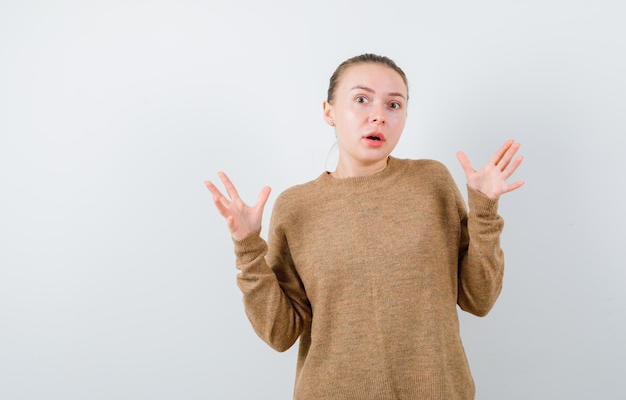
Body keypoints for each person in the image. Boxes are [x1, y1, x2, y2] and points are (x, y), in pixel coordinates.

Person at [205, 53, 524, 400]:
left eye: (394, 105)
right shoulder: (296, 207)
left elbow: (478, 299)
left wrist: (485, 211)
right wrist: (248, 248)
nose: (379, 116)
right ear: (329, 111)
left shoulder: (432, 182)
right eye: (361, 100)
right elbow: (280, 333)